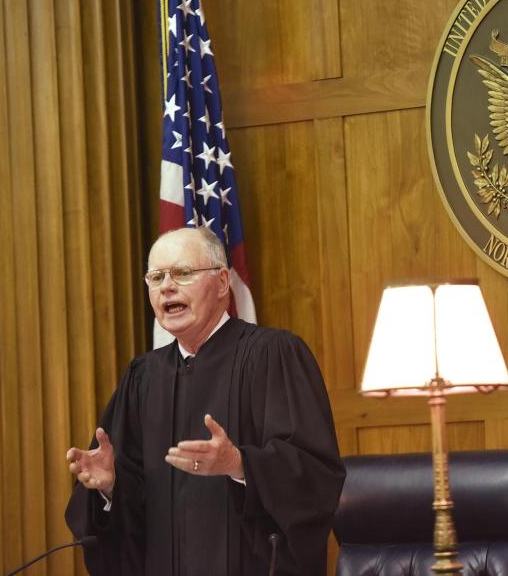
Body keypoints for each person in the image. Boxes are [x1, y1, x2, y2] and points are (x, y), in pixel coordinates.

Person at [64, 227, 345, 575]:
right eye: (156, 277)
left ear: (223, 283)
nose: (166, 286)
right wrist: (110, 486)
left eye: (182, 273)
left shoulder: (273, 355)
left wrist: (240, 464)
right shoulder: (143, 378)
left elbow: (315, 473)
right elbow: (132, 515)